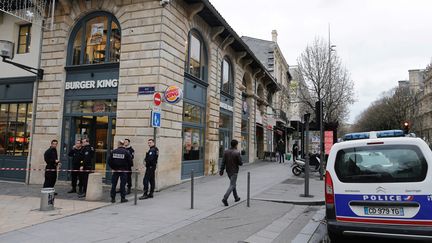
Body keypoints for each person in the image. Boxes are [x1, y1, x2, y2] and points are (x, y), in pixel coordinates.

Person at [220, 139, 243, 206]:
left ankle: (236, 197)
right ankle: (225, 198)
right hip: (234, 171)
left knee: (233, 184)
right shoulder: (237, 152)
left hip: (228, 171)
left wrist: (221, 170)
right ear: (236, 145)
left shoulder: (226, 152)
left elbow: (223, 162)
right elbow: (240, 163)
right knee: (232, 185)